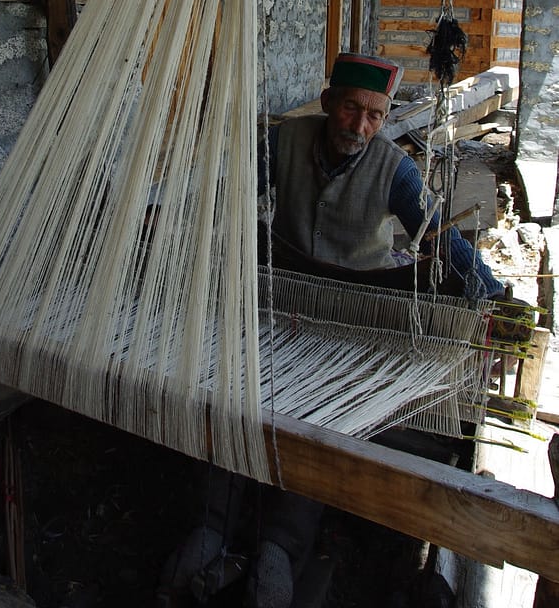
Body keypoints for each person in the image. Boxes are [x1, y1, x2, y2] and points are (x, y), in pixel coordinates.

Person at [157, 53, 504, 608]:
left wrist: (490, 296)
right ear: (327, 105)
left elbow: (441, 239)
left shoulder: (396, 170)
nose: (360, 126)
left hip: (356, 319)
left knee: (321, 421)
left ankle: (279, 547)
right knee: (235, 392)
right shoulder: (284, 142)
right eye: (350, 109)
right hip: (282, 302)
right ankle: (211, 528)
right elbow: (229, 201)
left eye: (374, 115)